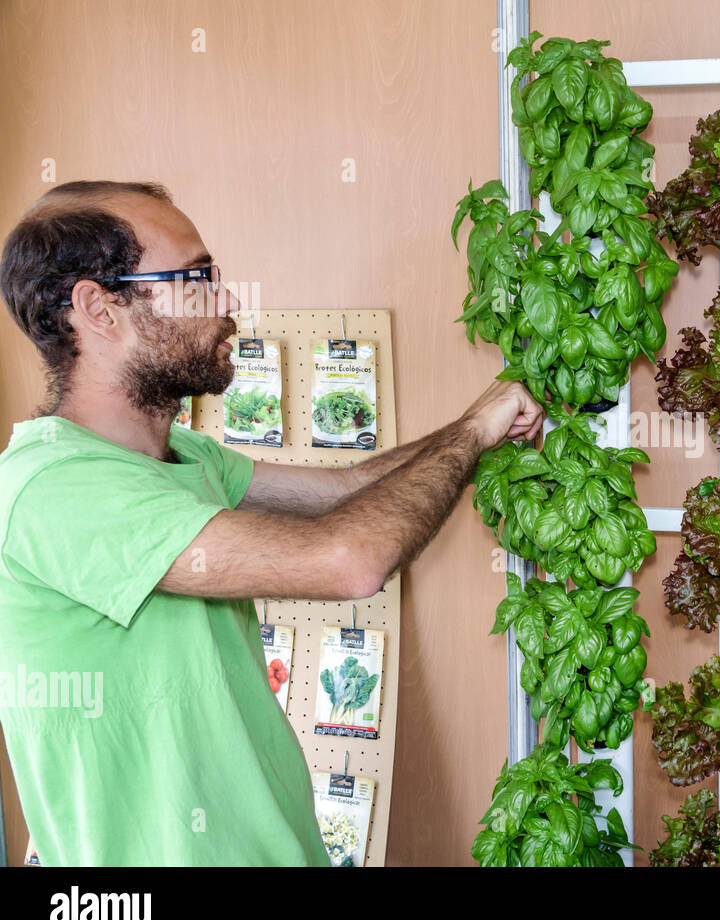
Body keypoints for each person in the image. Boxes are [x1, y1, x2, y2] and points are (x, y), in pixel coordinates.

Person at [0, 180, 544, 865]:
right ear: (99, 308)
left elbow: (348, 488)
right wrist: (471, 437)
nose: (228, 301)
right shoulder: (53, 488)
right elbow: (350, 561)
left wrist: (477, 425)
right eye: (195, 278)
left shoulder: (182, 455)